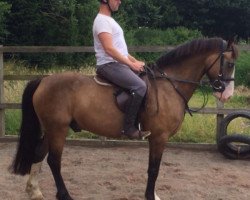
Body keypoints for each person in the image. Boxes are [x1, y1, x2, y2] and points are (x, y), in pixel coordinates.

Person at [93, 0, 151, 140]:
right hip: (108, 65)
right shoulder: (101, 21)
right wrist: (131, 65)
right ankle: (128, 128)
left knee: (147, 77)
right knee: (139, 86)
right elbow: (109, 49)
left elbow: (121, 50)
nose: (120, 1)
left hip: (118, 63)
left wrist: (134, 61)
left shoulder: (109, 20)